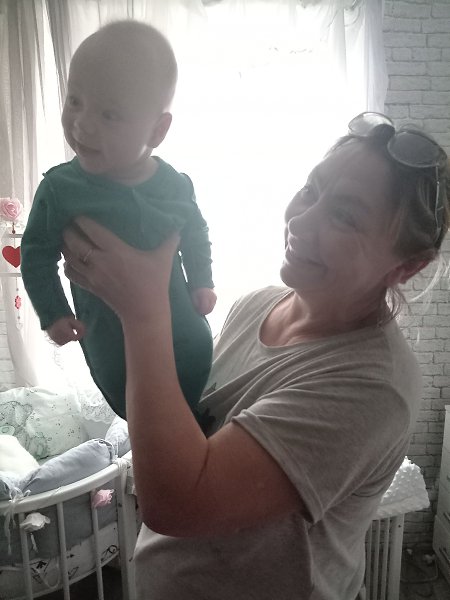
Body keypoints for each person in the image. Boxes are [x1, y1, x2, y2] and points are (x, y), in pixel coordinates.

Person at [61, 112, 449, 600]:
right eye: (310, 189)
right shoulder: (256, 304)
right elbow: (188, 418)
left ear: (407, 266)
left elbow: (178, 504)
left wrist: (144, 312)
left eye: (346, 217)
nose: (300, 220)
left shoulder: (374, 385)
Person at [21, 20, 216, 421]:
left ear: (158, 130)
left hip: (186, 337)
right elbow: (36, 253)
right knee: (137, 410)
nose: (82, 123)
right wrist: (53, 311)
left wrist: (202, 280)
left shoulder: (174, 184)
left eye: (110, 114)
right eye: (75, 101)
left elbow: (195, 232)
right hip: (111, 348)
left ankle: (193, 428)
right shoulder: (60, 188)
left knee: (187, 404)